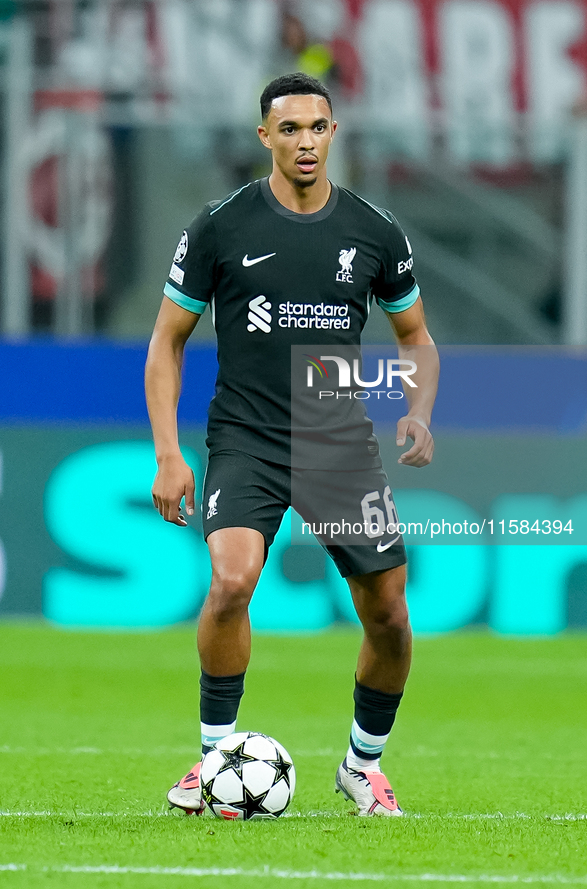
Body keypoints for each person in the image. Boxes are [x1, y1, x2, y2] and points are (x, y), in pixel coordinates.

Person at [145, 72, 439, 817]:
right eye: (289, 129)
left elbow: (416, 339)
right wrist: (169, 453)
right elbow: (165, 343)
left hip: (335, 439)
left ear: (332, 133)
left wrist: (417, 409)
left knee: (390, 614)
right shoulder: (221, 225)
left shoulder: (374, 233)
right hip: (245, 436)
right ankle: (215, 757)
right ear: (264, 138)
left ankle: (360, 766)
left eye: (316, 127)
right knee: (231, 582)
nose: (304, 141)